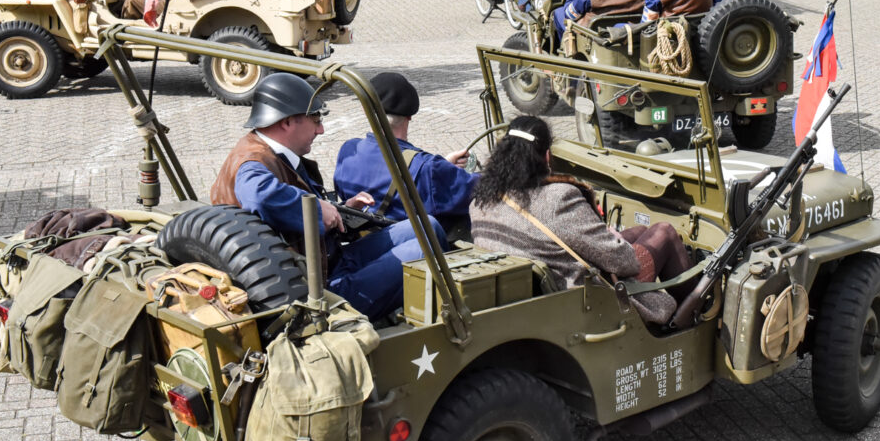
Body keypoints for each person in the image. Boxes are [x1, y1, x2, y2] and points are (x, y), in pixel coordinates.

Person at [210, 73, 446, 321]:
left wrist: (340, 210)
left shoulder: (275, 154)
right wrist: (317, 210)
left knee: (428, 227)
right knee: (425, 251)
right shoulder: (252, 161)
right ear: (287, 122)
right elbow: (258, 195)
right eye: (315, 120)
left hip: (327, 262)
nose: (321, 130)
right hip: (317, 297)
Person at [470, 116, 694, 324]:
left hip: (534, 295)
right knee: (664, 232)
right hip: (586, 300)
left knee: (640, 230)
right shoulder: (558, 198)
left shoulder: (480, 204)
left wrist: (613, 240)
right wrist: (616, 241)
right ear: (546, 156)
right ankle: (690, 318)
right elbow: (625, 263)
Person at [334, 72, 478, 232]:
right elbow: (483, 189)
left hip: (361, 241)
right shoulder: (428, 169)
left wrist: (444, 167)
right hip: (414, 246)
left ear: (366, 111)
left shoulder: (348, 150)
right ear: (409, 116)